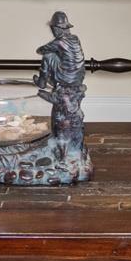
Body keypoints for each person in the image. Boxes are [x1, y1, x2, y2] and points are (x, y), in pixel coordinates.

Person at [35, 10, 88, 157]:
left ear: (56, 29)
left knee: (48, 55)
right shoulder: (75, 38)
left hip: (66, 79)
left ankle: (41, 82)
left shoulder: (58, 41)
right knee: (56, 58)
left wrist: (55, 49)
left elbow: (40, 50)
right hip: (77, 78)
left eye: (53, 28)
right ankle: (49, 81)